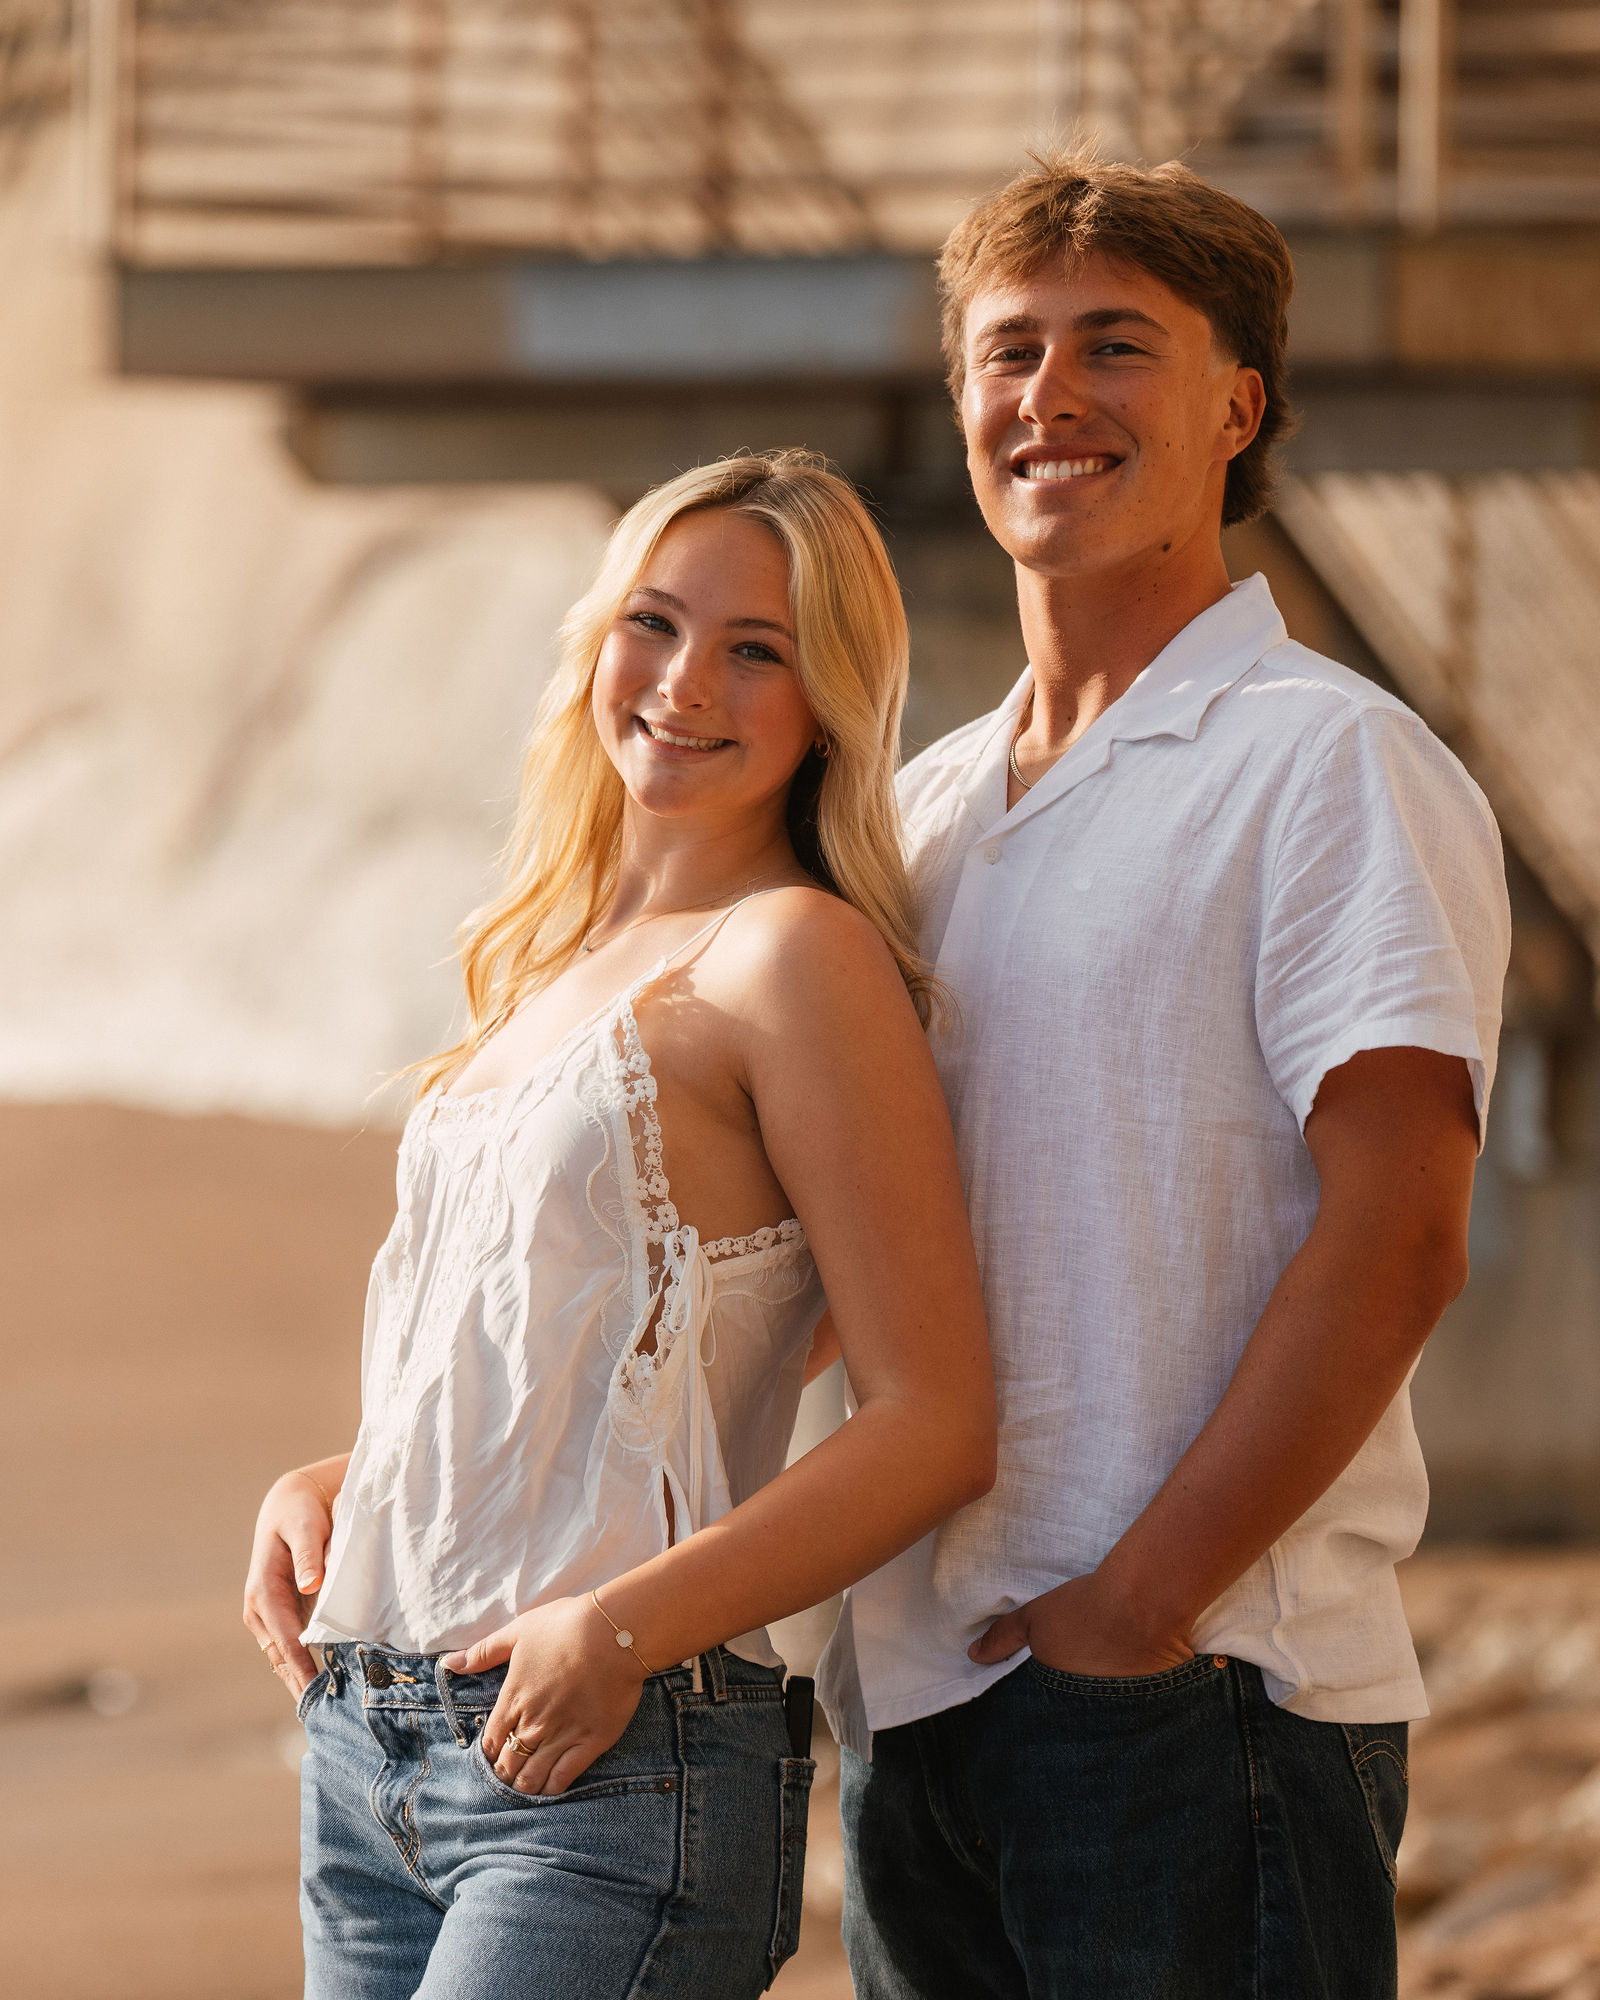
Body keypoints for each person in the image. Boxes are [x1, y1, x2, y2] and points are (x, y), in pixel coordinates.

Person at [818, 154, 1512, 1998]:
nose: (1047, 397)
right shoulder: (922, 810)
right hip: (920, 1697)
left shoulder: (1327, 766)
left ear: (1236, 406)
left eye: (1114, 346)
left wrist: (1138, 1608)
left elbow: (1402, 1236)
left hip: (1199, 1696)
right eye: (1008, 351)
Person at [242, 450, 995, 2000]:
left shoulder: (795, 959)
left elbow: (935, 1422)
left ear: (826, 704)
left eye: (756, 651)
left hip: (606, 1765)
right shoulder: (552, 959)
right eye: (654, 622)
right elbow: (597, 1361)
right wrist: (349, 1478)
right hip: (369, 1745)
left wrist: (624, 1629)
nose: (684, 683)